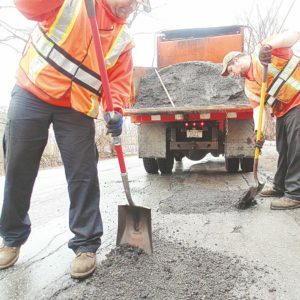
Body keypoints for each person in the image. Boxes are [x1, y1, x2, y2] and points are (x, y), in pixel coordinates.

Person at [0, 0, 151, 279]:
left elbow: (117, 83)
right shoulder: (73, 4)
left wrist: (115, 110)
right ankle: (11, 238)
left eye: (138, 3)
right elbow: (27, 6)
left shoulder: (124, 40)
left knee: (83, 173)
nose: (131, 6)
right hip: (33, 91)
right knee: (18, 168)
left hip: (76, 105)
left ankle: (85, 245)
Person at [221, 30, 300, 210]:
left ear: (236, 61)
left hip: (298, 101)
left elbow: (295, 34)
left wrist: (270, 47)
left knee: (297, 148)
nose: (231, 74)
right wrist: (259, 132)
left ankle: (295, 194)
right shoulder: (249, 85)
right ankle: (280, 186)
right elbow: (258, 110)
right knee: (284, 149)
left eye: (230, 70)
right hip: (283, 111)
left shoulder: (261, 52)